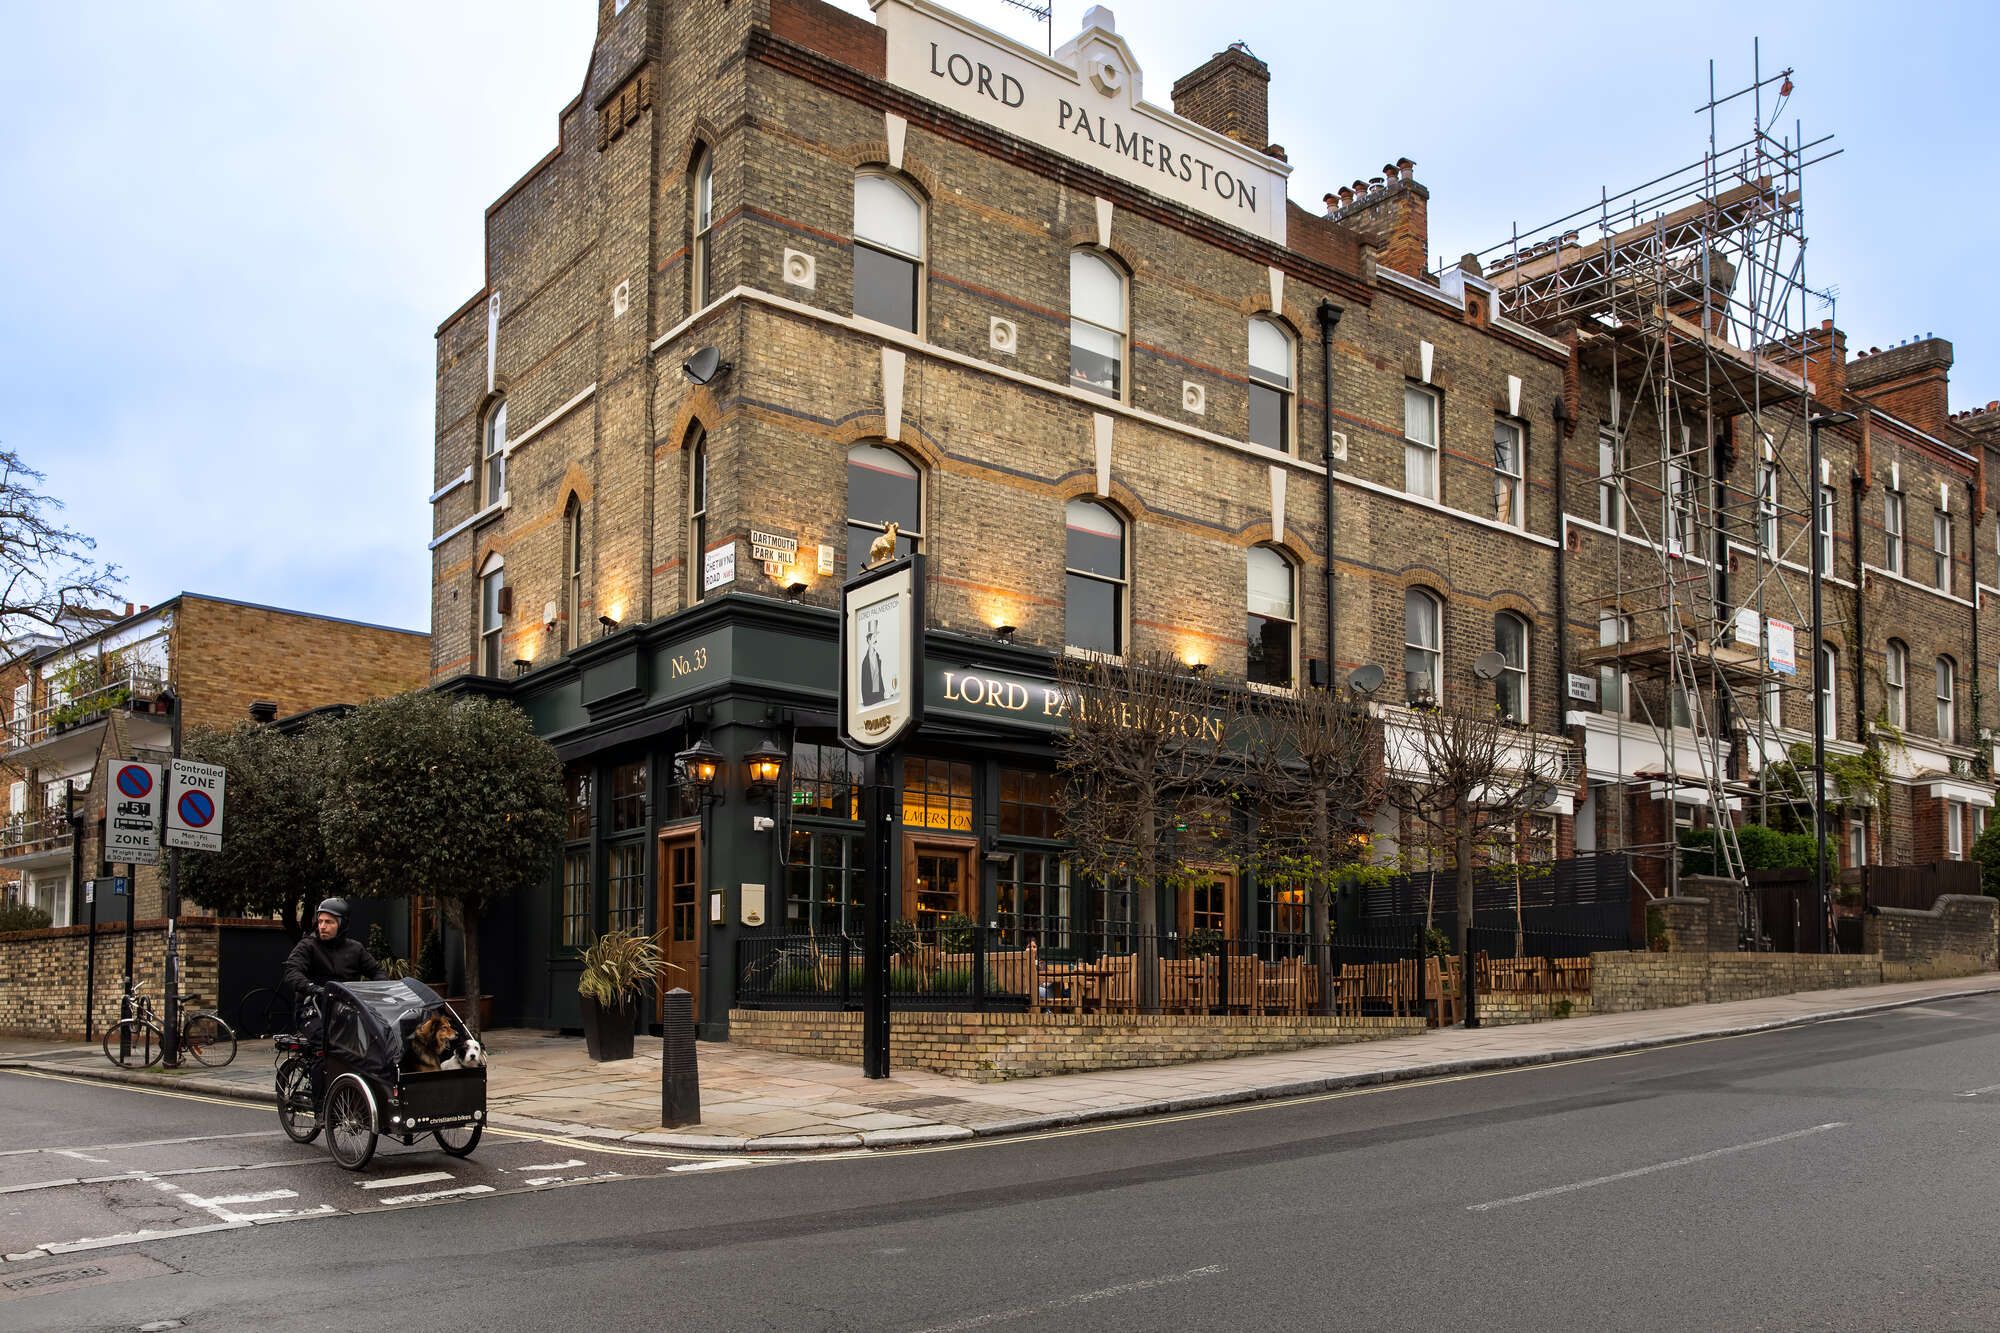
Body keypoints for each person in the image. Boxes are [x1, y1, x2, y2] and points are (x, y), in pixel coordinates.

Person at [282, 897, 387, 1002]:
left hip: (346, 1007)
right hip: (314, 1005)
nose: (322, 926)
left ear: (342, 925)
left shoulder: (355, 948)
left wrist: (378, 992)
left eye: (328, 922)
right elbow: (292, 971)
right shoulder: (307, 945)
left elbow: (377, 972)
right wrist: (313, 989)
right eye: (320, 921)